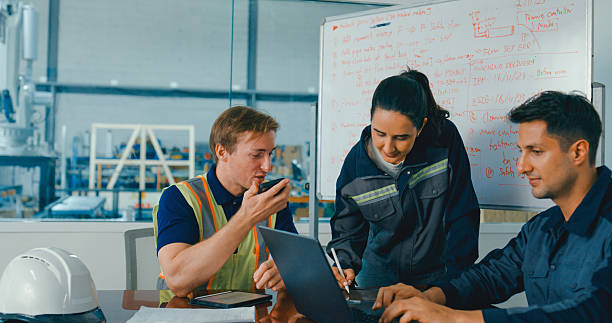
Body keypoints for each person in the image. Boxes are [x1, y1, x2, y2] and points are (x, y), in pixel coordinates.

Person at [374, 91, 612, 322]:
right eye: (521, 152)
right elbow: (492, 276)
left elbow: (592, 311)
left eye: (536, 152)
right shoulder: (542, 227)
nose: (522, 167)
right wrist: (430, 298)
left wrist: (453, 318)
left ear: (578, 152)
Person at [326, 69, 480, 290]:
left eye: (401, 138)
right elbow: (347, 227)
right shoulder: (356, 165)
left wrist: (454, 284)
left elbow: (462, 213)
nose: (388, 148)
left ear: (421, 126)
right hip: (378, 276)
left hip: (436, 275)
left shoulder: (445, 142)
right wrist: (344, 264)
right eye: (379, 133)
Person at [153, 106, 297, 297]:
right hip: (184, 313)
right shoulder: (180, 198)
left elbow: (294, 262)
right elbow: (178, 281)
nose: (267, 166)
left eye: (270, 154)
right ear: (222, 152)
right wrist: (246, 217)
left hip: (248, 311)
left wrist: (286, 271)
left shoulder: (270, 198)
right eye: (256, 155)